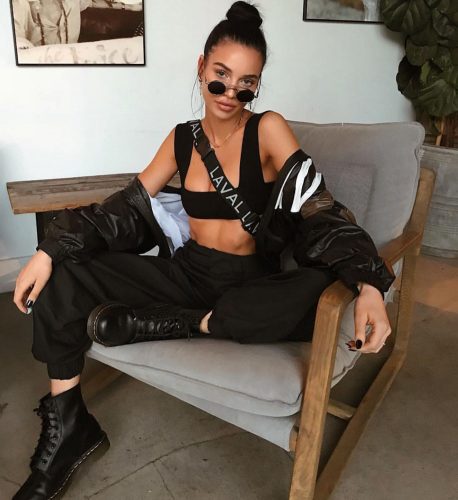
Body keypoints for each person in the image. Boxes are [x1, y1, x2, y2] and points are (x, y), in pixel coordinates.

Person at [12, 2, 394, 498]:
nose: (230, 94)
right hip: (189, 275)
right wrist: (50, 250)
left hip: (253, 284)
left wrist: (368, 284)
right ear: (201, 67)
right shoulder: (182, 139)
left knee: (317, 285)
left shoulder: (268, 129)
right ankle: (69, 427)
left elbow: (318, 206)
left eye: (246, 84)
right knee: (66, 275)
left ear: (257, 85)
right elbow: (125, 207)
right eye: (220, 78)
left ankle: (183, 323)